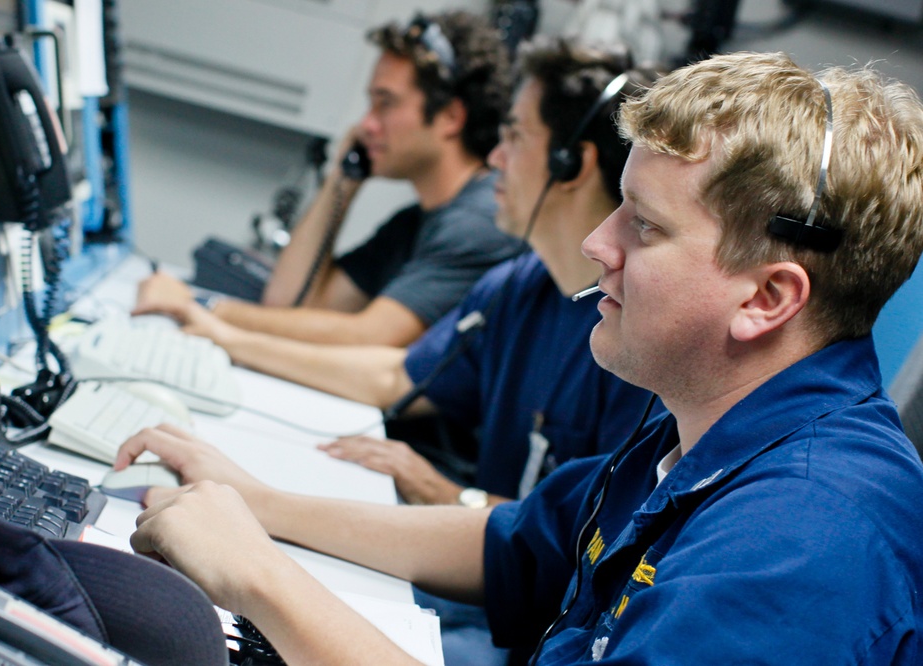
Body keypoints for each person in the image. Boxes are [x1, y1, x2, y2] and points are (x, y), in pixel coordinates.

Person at [118, 51, 923, 664]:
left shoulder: (798, 546)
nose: (594, 244)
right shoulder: (705, 428)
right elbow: (505, 544)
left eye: (643, 227)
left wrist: (258, 577)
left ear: (766, 299)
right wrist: (261, 504)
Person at [157, 39, 656, 512]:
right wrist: (223, 338)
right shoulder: (519, 286)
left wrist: (436, 489)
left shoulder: (634, 344)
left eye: (515, 137)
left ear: (569, 165)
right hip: (478, 551)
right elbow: (395, 375)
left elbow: (586, 539)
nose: (496, 158)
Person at [135, 10, 523, 347]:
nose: (365, 125)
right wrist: (342, 180)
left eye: (385, 104)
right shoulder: (413, 224)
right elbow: (290, 301)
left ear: (450, 118)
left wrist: (198, 306)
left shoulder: (481, 218)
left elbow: (368, 335)